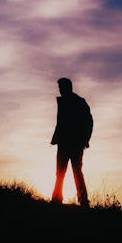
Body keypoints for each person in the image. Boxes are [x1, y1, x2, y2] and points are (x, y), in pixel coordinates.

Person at [50, 77, 93, 207]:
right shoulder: (71, 101)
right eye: (59, 88)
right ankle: (58, 198)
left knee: (75, 172)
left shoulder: (79, 102)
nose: (59, 90)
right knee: (61, 173)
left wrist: (85, 140)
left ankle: (82, 200)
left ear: (66, 87)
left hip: (73, 143)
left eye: (60, 87)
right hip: (65, 142)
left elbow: (89, 122)